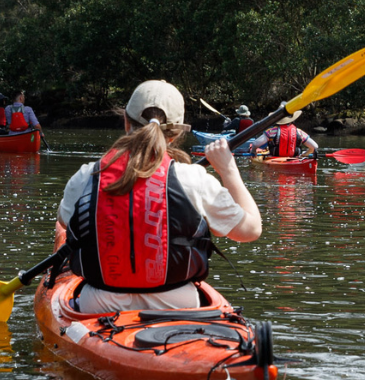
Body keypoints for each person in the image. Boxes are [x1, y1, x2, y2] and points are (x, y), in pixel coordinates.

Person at [58, 80, 263, 313]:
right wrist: (228, 170)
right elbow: (251, 230)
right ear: (176, 134)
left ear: (126, 122)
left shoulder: (86, 176)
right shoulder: (194, 179)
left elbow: (65, 223)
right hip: (178, 303)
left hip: (98, 304)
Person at [249, 112, 318, 158]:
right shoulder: (299, 131)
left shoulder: (272, 131)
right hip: (294, 160)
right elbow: (315, 147)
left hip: (274, 159)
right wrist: (305, 154)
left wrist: (253, 151)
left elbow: (255, 144)